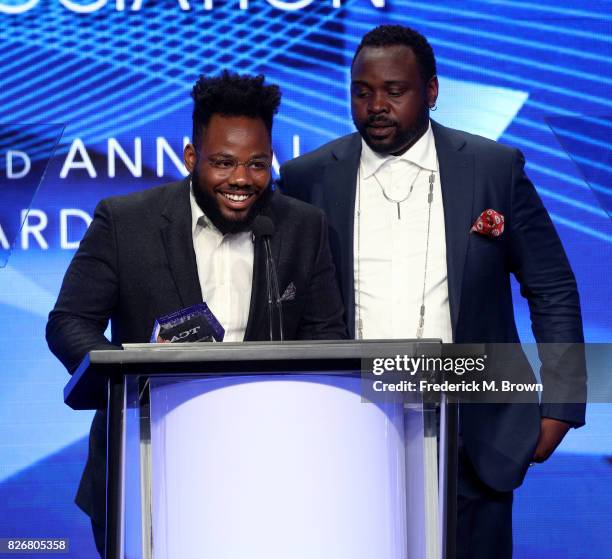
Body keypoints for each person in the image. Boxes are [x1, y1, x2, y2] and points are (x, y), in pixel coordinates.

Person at [280, 25, 586, 558]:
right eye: (362, 90)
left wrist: (561, 404)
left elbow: (552, 286)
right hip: (350, 425)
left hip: (477, 426)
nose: (376, 105)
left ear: (432, 92)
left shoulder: (493, 169)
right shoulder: (308, 178)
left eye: (394, 90)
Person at [46, 71, 346, 556]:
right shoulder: (125, 222)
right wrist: (129, 375)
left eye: (257, 164)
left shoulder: (302, 227)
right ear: (191, 158)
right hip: (147, 465)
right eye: (223, 163)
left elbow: (329, 338)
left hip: (268, 471)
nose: (241, 180)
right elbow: (68, 323)